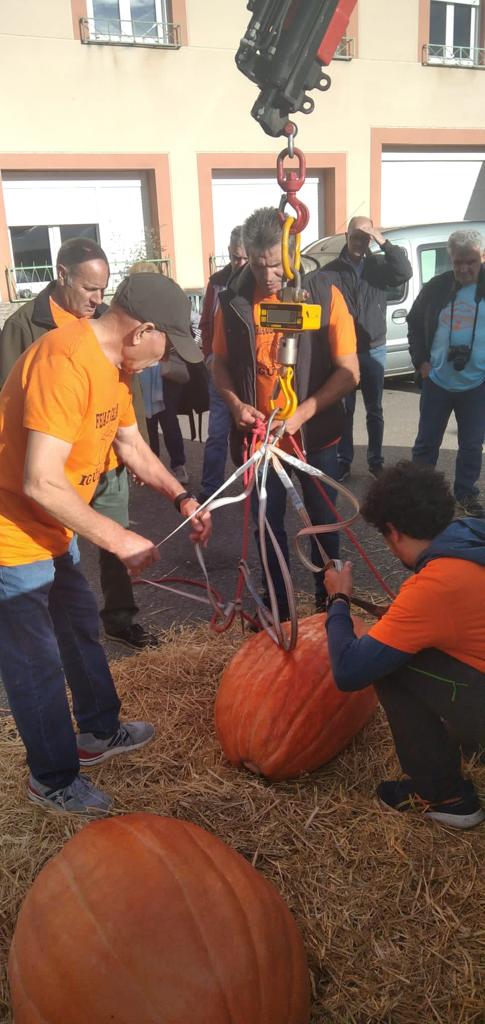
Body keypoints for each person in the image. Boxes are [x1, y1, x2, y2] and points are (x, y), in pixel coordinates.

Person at [0, 272, 211, 815]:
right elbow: (40, 481)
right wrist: (119, 538)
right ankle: (51, 780)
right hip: (11, 531)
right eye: (169, 344)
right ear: (142, 330)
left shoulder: (117, 368)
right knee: (36, 660)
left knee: (78, 628)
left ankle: (98, 732)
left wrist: (182, 497)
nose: (169, 359)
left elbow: (129, 441)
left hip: (52, 528)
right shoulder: (64, 361)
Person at [0, 238, 158, 650]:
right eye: (89, 288)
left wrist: (136, 457)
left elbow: (125, 398)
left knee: (112, 541)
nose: (96, 299)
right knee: (43, 638)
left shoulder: (109, 326)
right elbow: (21, 415)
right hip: (47, 481)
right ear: (62, 275)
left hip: (104, 464)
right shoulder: (24, 329)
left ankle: (120, 618)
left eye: (104, 290)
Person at [212, 206, 358, 618]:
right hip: (259, 442)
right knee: (266, 528)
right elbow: (217, 363)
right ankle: (279, 606)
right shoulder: (234, 300)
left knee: (322, 527)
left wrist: (304, 412)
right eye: (259, 266)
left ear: (291, 252)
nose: (268, 276)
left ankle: (330, 606)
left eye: (275, 265)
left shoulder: (325, 293)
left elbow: (350, 372)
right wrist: (236, 404)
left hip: (315, 439)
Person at [324, 461, 485, 830]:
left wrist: (339, 600)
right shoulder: (471, 534)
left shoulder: (436, 585)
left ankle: (446, 797)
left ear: (393, 532)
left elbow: (349, 671)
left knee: (397, 664)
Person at [316, 216, 412, 481]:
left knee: (375, 409)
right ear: (347, 236)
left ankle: (375, 461)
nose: (360, 241)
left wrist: (382, 239)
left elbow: (405, 272)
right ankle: (343, 460)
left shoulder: (379, 267)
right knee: (345, 410)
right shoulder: (331, 271)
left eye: (365, 236)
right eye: (356, 236)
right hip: (344, 352)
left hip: (373, 348)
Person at [410, 228, 485, 518]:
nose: (464, 269)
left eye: (471, 262)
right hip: (438, 382)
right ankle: (420, 495)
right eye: (458, 263)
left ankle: (466, 493)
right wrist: (421, 363)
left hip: (477, 383)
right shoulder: (436, 287)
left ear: (481, 258)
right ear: (450, 260)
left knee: (471, 445)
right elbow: (414, 324)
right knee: (426, 443)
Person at [198, 226, 247, 503]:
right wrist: (209, 356)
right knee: (217, 433)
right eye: (231, 256)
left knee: (246, 433)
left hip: (247, 374)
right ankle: (210, 489)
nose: (235, 263)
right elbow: (206, 323)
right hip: (219, 370)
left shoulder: (257, 283)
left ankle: (250, 486)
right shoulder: (217, 281)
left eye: (240, 258)